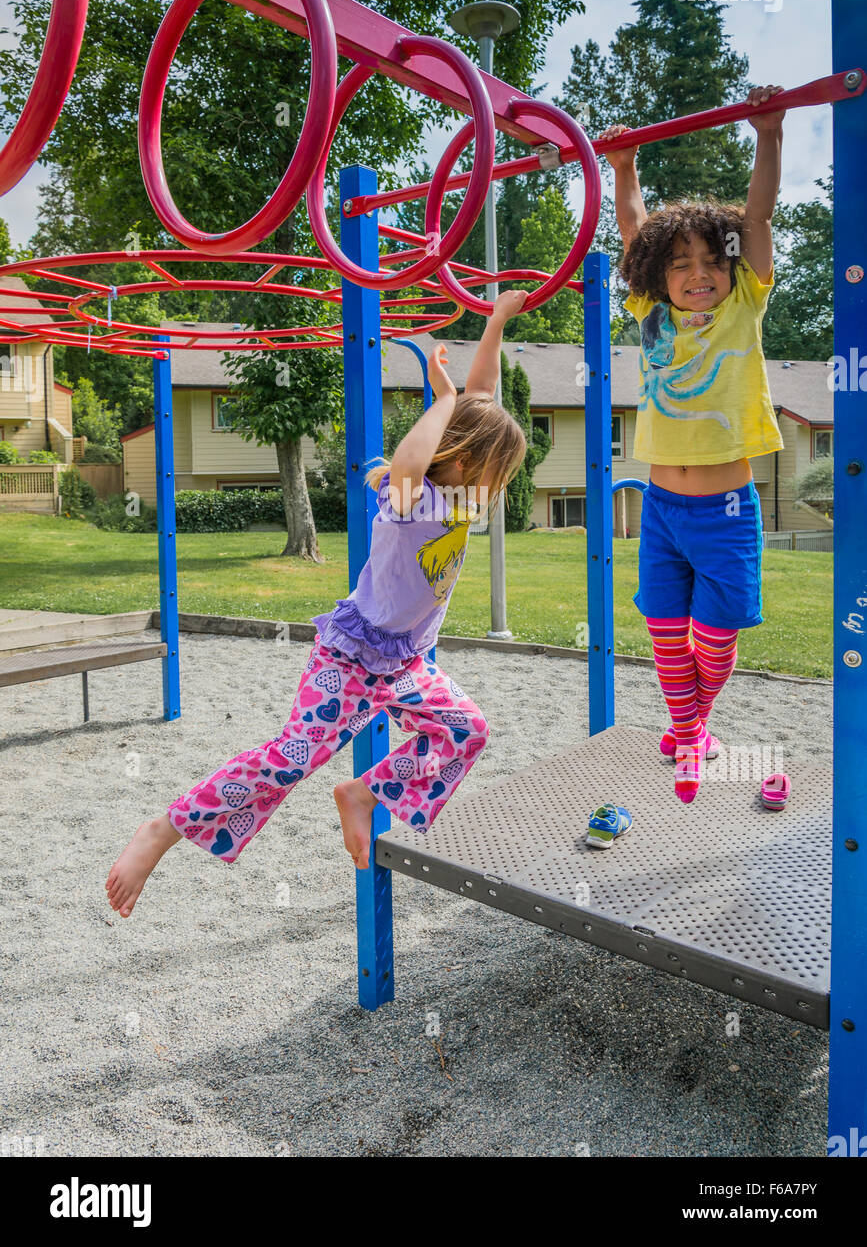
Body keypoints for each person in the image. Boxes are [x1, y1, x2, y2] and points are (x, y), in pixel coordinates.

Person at [106, 291, 528, 916]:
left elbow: (482, 401)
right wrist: (441, 400)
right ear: (463, 462)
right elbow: (429, 446)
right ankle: (163, 830)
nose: (498, 490)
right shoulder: (412, 501)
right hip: (351, 657)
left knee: (467, 730)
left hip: (406, 662)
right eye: (496, 472)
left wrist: (492, 323)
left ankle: (363, 793)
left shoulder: (463, 497)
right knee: (287, 762)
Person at [599, 86, 786, 803]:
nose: (696, 274)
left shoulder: (744, 306)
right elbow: (632, 226)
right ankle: (688, 739)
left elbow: (760, 215)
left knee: (713, 638)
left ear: (732, 269)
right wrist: (623, 166)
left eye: (710, 260)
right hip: (661, 506)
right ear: (657, 276)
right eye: (679, 264)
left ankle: (691, 729)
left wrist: (765, 134)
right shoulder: (649, 316)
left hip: (725, 512)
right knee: (664, 631)